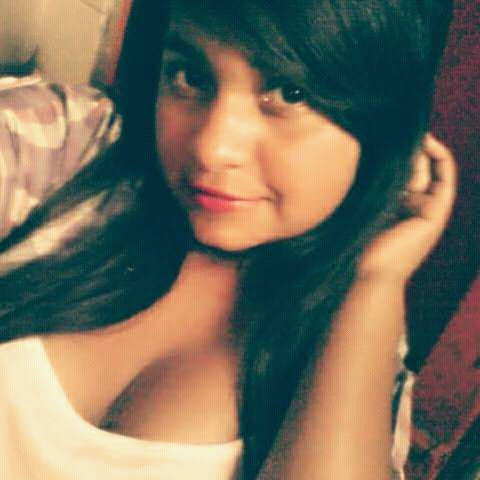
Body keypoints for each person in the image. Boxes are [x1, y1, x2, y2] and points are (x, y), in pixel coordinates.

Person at [0, 0, 457, 478]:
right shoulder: (67, 149)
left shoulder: (358, 342)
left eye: (290, 92)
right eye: (190, 76)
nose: (211, 148)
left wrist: (377, 280)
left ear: (385, 124)